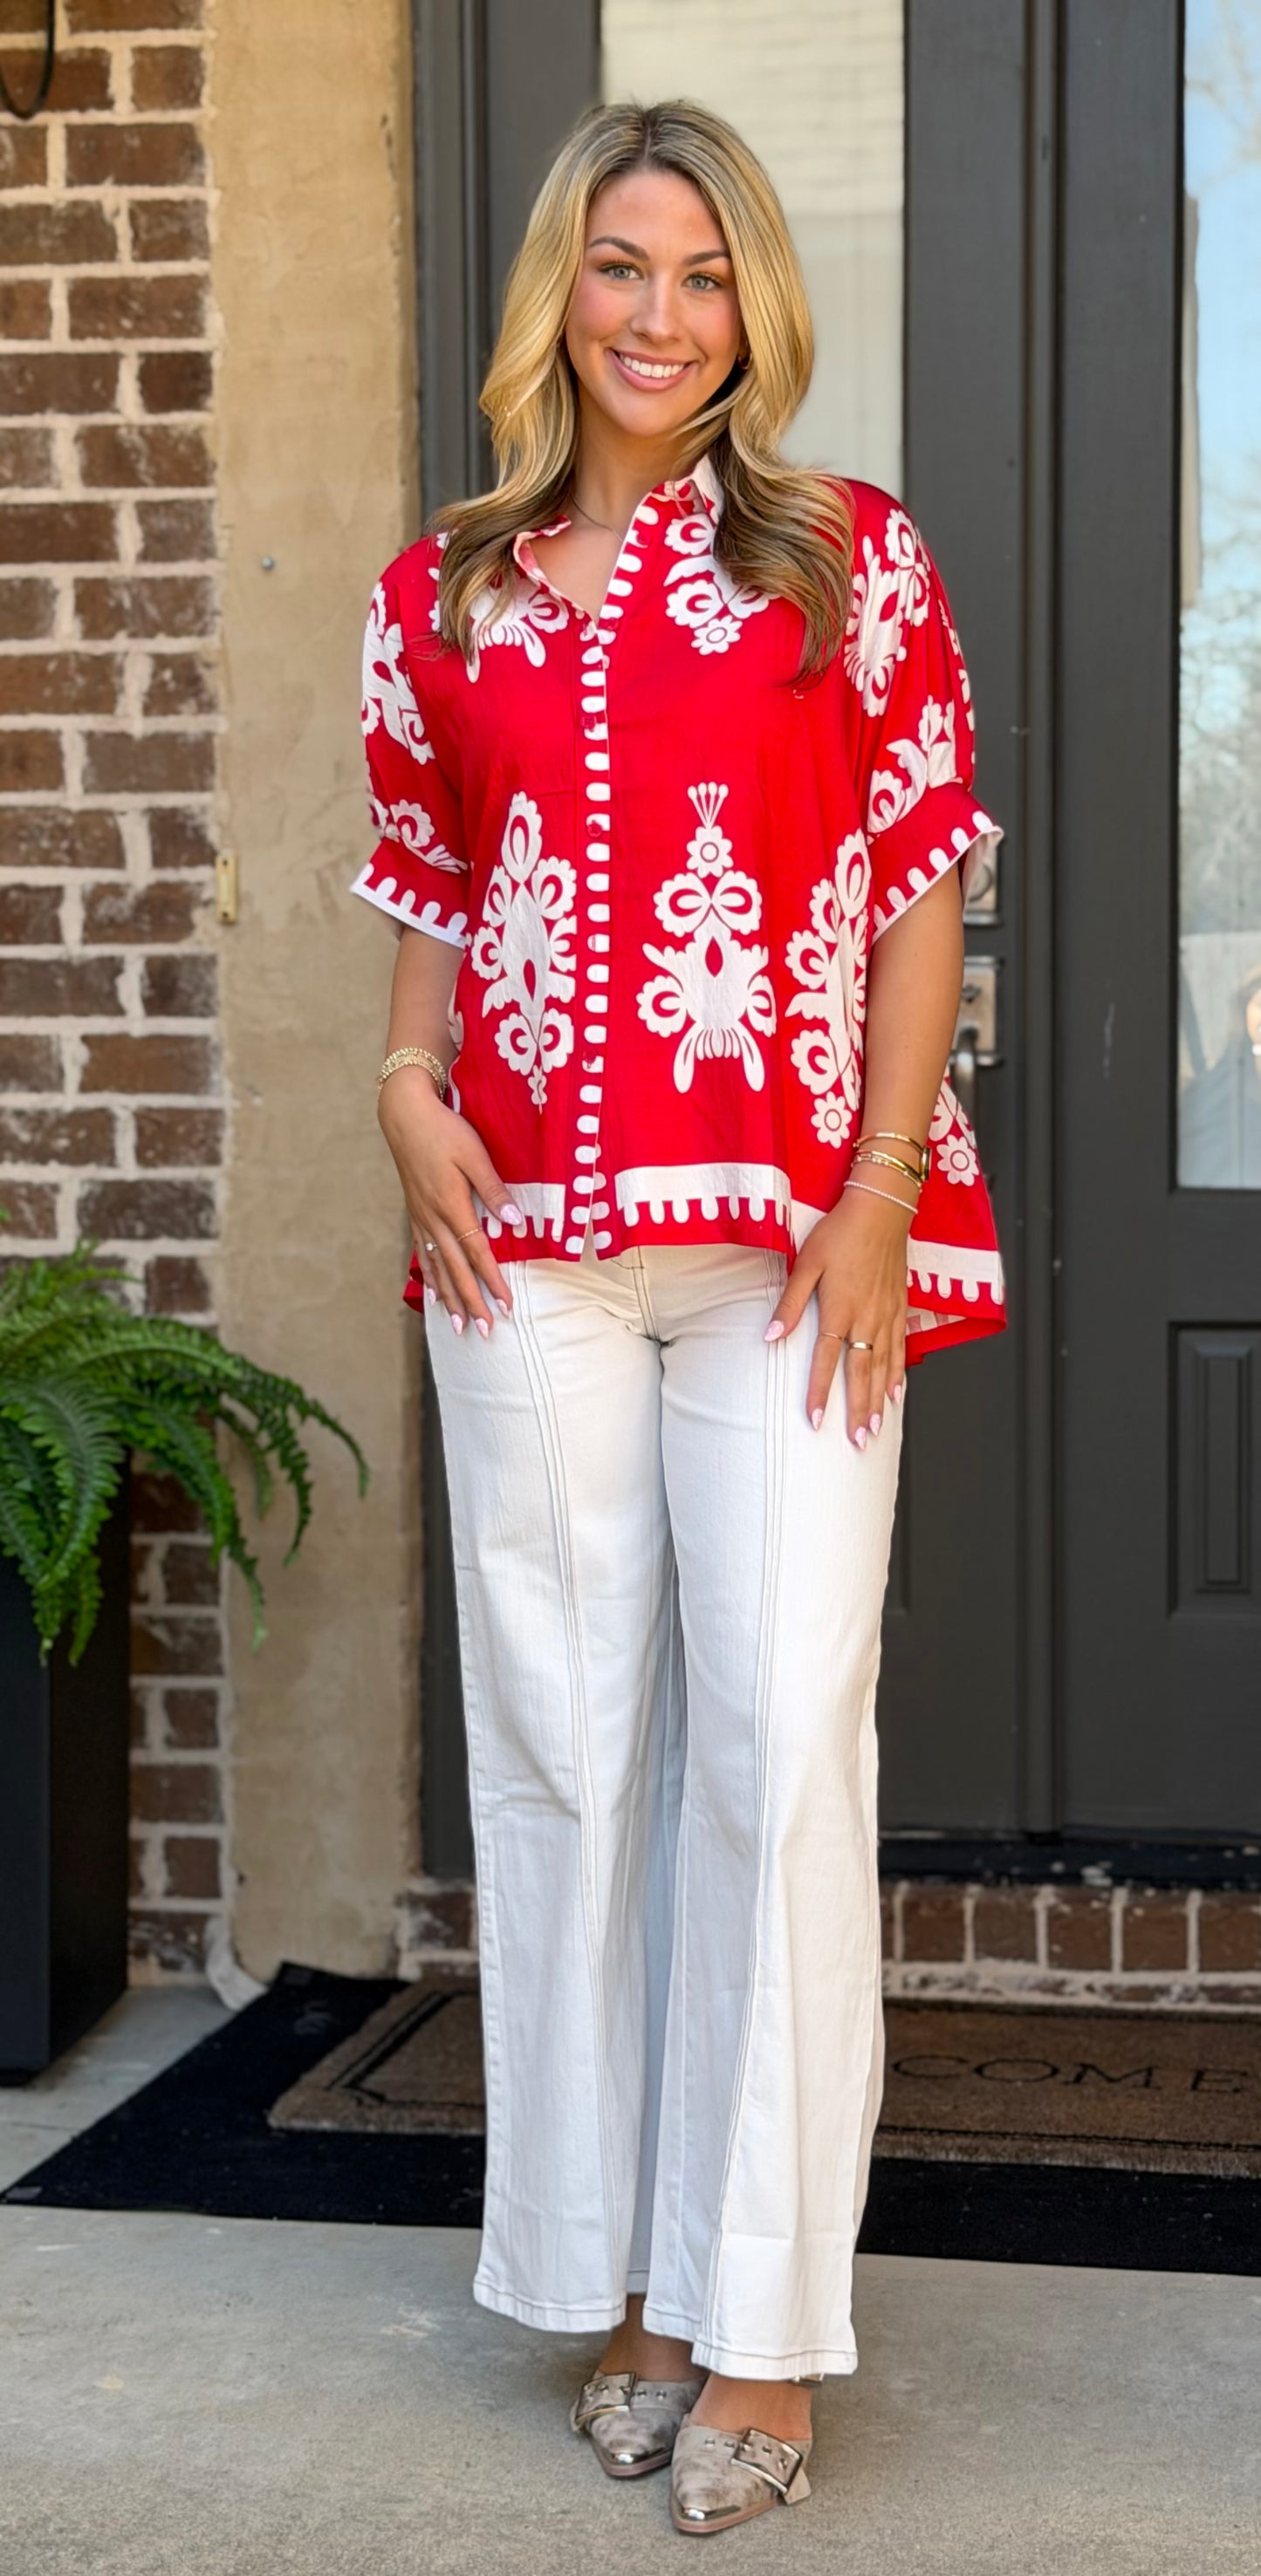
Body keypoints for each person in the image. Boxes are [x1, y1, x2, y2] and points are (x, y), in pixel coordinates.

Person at [355, 98, 1004, 2540]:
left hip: (790, 1253)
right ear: (562, 288)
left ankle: (763, 2324)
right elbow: (433, 891)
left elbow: (919, 886)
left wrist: (876, 1193)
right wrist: (401, 1085)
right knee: (561, 1750)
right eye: (622, 267)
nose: (660, 315)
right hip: (522, 1244)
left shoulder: (850, 562)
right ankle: (623, 2279)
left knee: (778, 1742)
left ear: (756, 309)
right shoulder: (445, 590)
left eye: (705, 274)